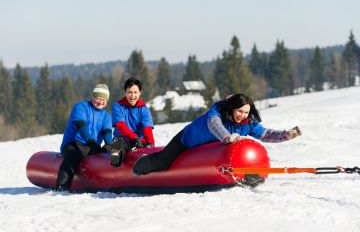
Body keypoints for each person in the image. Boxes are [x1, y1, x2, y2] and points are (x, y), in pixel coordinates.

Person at [133, 93, 302, 176]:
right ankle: (136, 166)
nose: (242, 115)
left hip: (204, 152)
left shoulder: (247, 123)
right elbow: (214, 125)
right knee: (163, 162)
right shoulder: (217, 112)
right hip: (185, 142)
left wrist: (286, 135)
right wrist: (228, 137)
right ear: (231, 108)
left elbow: (265, 134)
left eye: (246, 112)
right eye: (239, 111)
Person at [56, 84, 112, 191]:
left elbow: (107, 132)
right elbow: (81, 124)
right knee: (72, 156)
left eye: (103, 99)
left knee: (107, 151)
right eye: (98, 98)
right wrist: (90, 140)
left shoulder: (106, 116)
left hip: (92, 148)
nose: (100, 102)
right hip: (74, 144)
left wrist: (109, 144)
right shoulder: (80, 107)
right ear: (92, 97)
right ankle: (62, 186)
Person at [110, 77, 155, 167]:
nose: (132, 96)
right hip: (122, 140)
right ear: (125, 93)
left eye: (135, 92)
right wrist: (134, 138)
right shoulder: (117, 106)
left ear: (140, 93)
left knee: (148, 148)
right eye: (129, 92)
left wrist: (150, 144)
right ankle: (115, 161)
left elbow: (147, 128)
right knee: (117, 148)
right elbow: (121, 126)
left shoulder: (144, 109)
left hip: (139, 142)